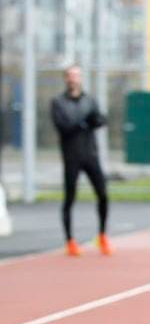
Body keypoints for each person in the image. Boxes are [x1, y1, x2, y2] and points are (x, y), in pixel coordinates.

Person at [50, 65, 111, 256]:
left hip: (90, 155)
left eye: (76, 75)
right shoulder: (58, 102)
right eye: (70, 75)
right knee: (69, 198)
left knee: (103, 195)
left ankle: (102, 236)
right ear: (65, 79)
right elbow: (64, 127)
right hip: (71, 156)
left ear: (81, 78)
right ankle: (70, 241)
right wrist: (84, 121)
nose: (73, 79)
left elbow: (100, 120)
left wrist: (92, 120)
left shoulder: (89, 100)